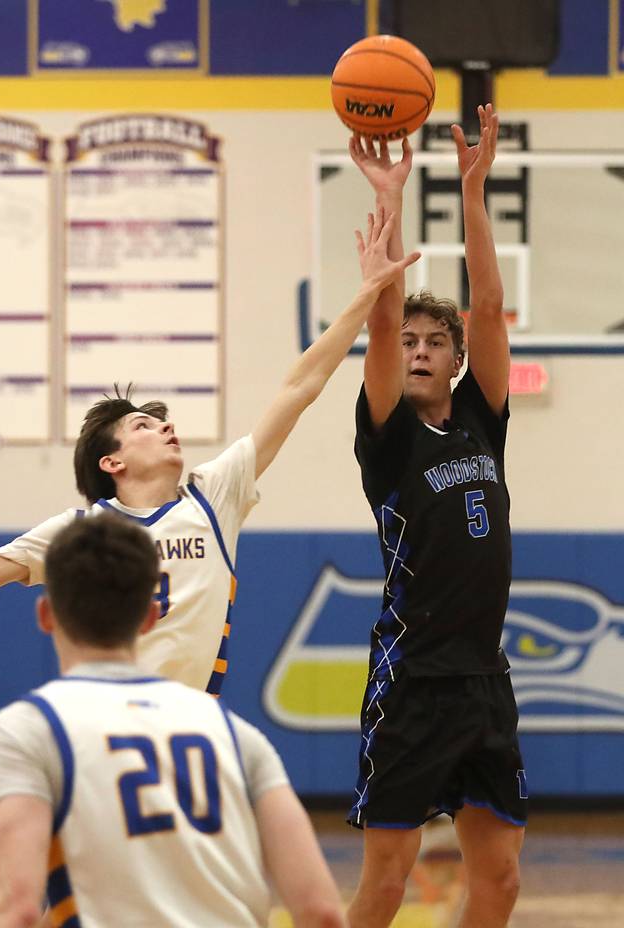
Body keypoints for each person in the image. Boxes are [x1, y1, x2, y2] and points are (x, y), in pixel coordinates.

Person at [0, 210, 420, 928]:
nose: (165, 426)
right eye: (144, 424)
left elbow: (300, 385)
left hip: (182, 748)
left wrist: (365, 295)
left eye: (162, 419)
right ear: (112, 463)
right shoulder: (80, 533)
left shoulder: (214, 494)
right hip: (82, 738)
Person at [0, 514, 345, 928]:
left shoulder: (22, 733)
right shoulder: (237, 735)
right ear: (150, 617)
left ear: (45, 615)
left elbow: (16, 909)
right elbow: (322, 912)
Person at [345, 105, 526, 928]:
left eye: (433, 341)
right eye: (410, 340)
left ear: (455, 361)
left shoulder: (481, 419)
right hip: (412, 682)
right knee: (387, 880)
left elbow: (488, 306)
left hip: (484, 679)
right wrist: (389, 203)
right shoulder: (388, 440)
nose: (417, 348)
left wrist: (474, 190)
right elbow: (380, 322)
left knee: (501, 879)